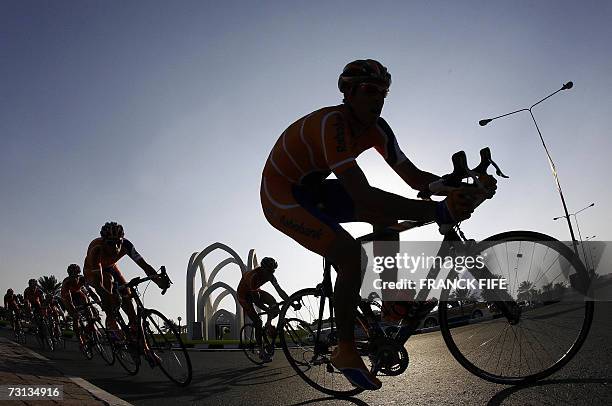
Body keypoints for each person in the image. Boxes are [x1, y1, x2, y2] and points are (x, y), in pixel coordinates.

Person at [260, 59, 496, 389]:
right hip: (281, 193)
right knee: (351, 255)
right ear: (349, 93)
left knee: (386, 217)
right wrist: (438, 212)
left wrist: (457, 188)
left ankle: (392, 300)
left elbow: (415, 178)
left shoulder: (378, 129)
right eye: (371, 91)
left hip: (312, 189)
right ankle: (344, 350)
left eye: (384, 93)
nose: (379, 99)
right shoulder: (334, 122)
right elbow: (361, 194)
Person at [83, 221, 168, 365]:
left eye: (118, 242)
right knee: (108, 288)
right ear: (104, 242)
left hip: (110, 267)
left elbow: (144, 266)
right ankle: (111, 322)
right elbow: (99, 284)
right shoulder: (96, 249)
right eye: (111, 243)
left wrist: (158, 281)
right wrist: (111, 297)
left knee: (128, 297)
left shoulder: (127, 245)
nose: (116, 247)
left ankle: (144, 346)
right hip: (93, 271)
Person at [237, 257, 290, 362]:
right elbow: (257, 302)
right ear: (262, 268)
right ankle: (261, 351)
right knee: (257, 322)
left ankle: (268, 324)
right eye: (269, 271)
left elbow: (280, 291)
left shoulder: (271, 276)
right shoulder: (253, 276)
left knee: (273, 303)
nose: (271, 273)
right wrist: (267, 309)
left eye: (273, 271)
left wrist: (291, 301)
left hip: (255, 290)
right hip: (243, 296)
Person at [61, 264, 99, 347]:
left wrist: (97, 300)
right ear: (69, 274)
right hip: (67, 297)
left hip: (78, 293)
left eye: (77, 273)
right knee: (76, 317)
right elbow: (69, 299)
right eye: (72, 274)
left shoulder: (82, 278)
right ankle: (80, 340)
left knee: (89, 310)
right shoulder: (67, 282)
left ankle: (90, 328)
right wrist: (74, 310)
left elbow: (89, 291)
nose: (75, 276)